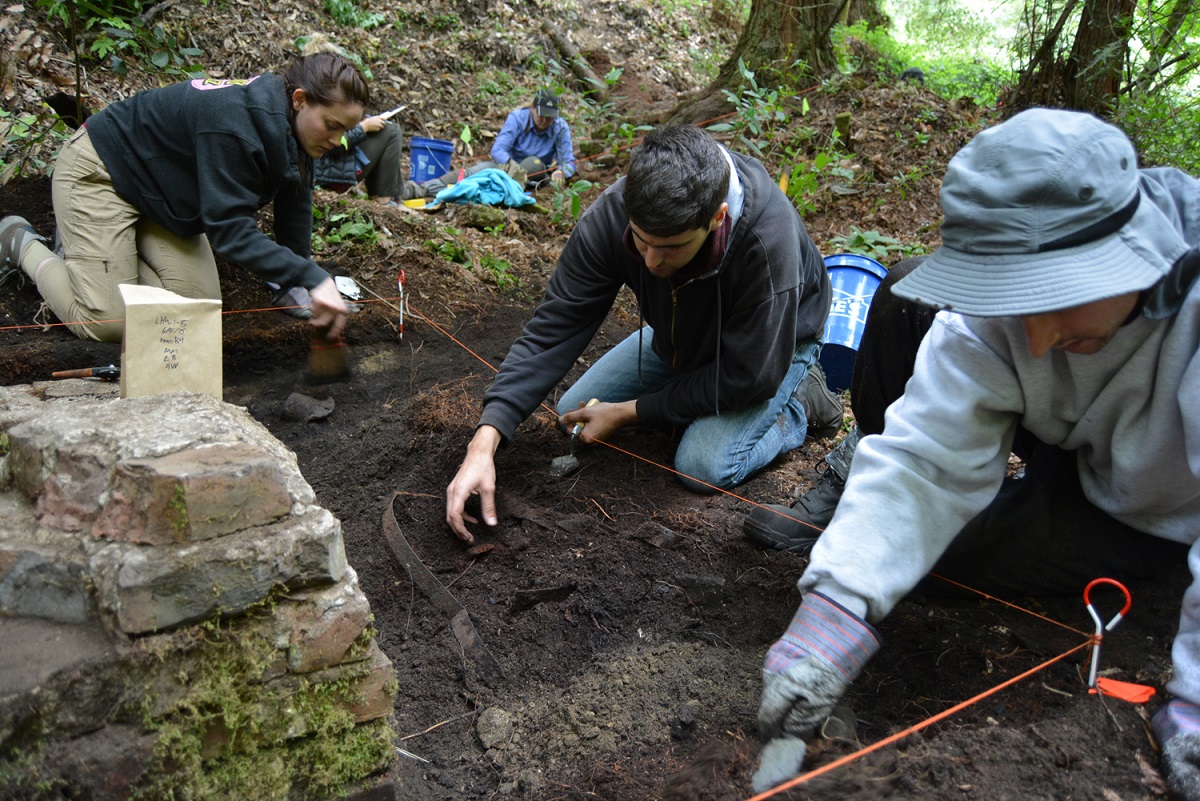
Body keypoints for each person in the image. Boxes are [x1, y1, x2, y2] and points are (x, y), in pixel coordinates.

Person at [746, 108, 1200, 797]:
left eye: (1059, 297)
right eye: (1019, 303)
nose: (1039, 341)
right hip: (1075, 460)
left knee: (947, 561)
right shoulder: (996, 316)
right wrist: (833, 614)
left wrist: (1195, 699)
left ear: (1128, 252)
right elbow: (925, 456)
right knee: (906, 561)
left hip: (1155, 510)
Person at [445, 124, 841, 543]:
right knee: (575, 406)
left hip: (769, 349)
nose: (651, 261)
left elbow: (747, 376)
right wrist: (486, 439)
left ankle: (800, 402)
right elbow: (555, 325)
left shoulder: (766, 241)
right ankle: (685, 382)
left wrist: (631, 411)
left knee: (702, 466)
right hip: (683, 334)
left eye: (671, 247)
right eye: (640, 240)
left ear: (716, 218)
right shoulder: (618, 210)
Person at [0, 51, 364, 342]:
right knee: (107, 321)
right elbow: (229, 231)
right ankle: (23, 244)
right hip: (102, 172)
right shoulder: (235, 124)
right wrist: (314, 277)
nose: (336, 140)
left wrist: (294, 282)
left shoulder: (296, 130)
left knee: (195, 309)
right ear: (300, 99)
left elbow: (295, 204)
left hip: (162, 198)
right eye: (332, 125)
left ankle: (95, 258)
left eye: (345, 130)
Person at [490, 89, 576, 188]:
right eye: (541, 116)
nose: (544, 121)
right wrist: (514, 169)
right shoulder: (517, 118)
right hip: (510, 170)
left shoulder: (560, 127)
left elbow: (568, 160)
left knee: (533, 163)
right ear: (532, 108)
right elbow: (498, 149)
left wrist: (561, 172)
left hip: (537, 173)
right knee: (483, 169)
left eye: (549, 118)